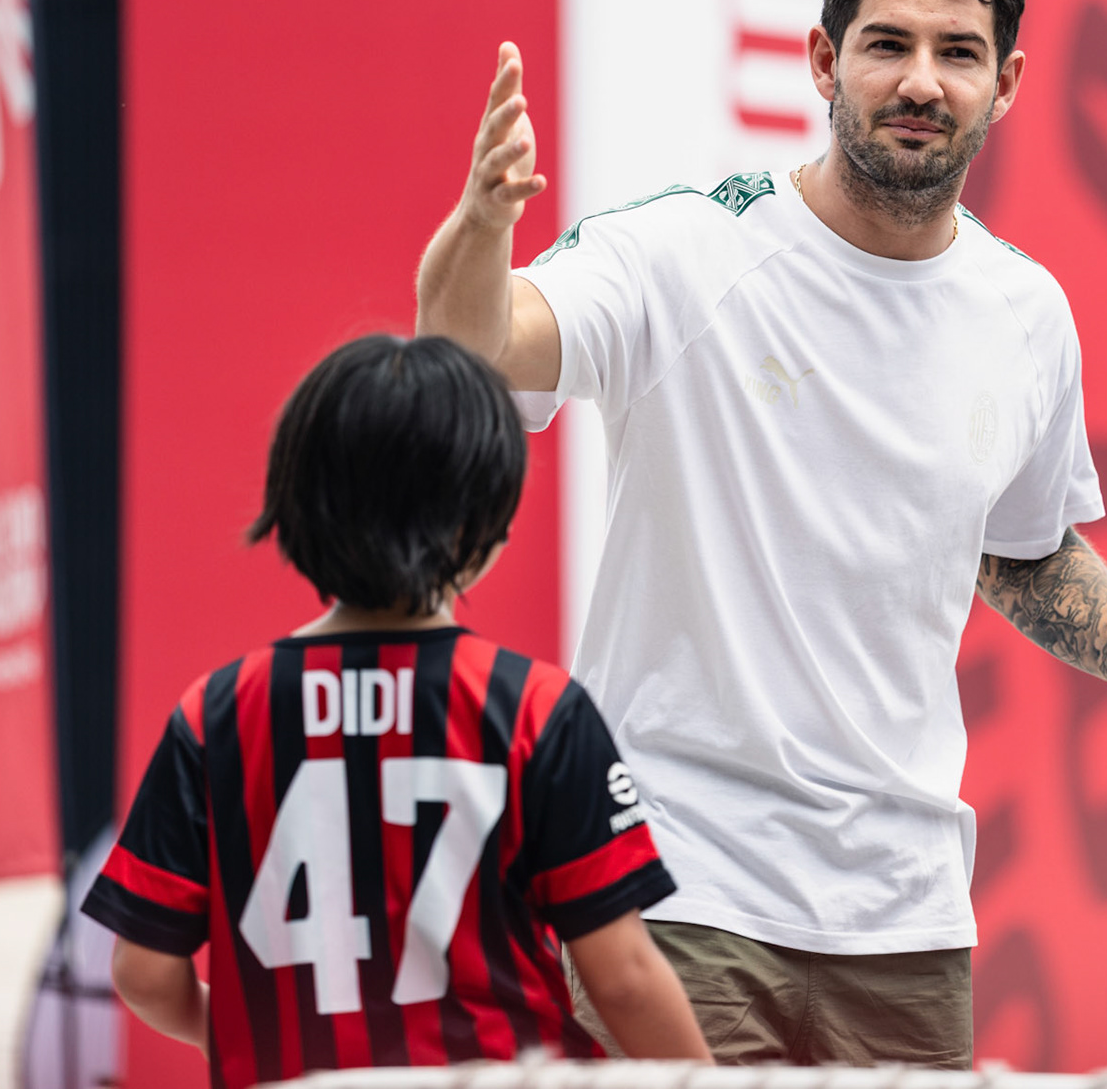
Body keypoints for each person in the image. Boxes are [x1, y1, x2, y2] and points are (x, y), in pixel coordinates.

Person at [416, 0, 1107, 1067]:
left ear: (1009, 82)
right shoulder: (684, 252)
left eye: (958, 52)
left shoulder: (1028, 313)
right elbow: (475, 347)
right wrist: (478, 232)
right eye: (888, 44)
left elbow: (1022, 552)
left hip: (909, 915)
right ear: (824, 60)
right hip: (677, 892)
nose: (922, 80)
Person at [80, 335, 711, 1087]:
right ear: (483, 522)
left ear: (296, 502)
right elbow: (625, 978)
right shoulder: (534, 712)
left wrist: (262, 1049)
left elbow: (146, 973)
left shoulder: (215, 714)